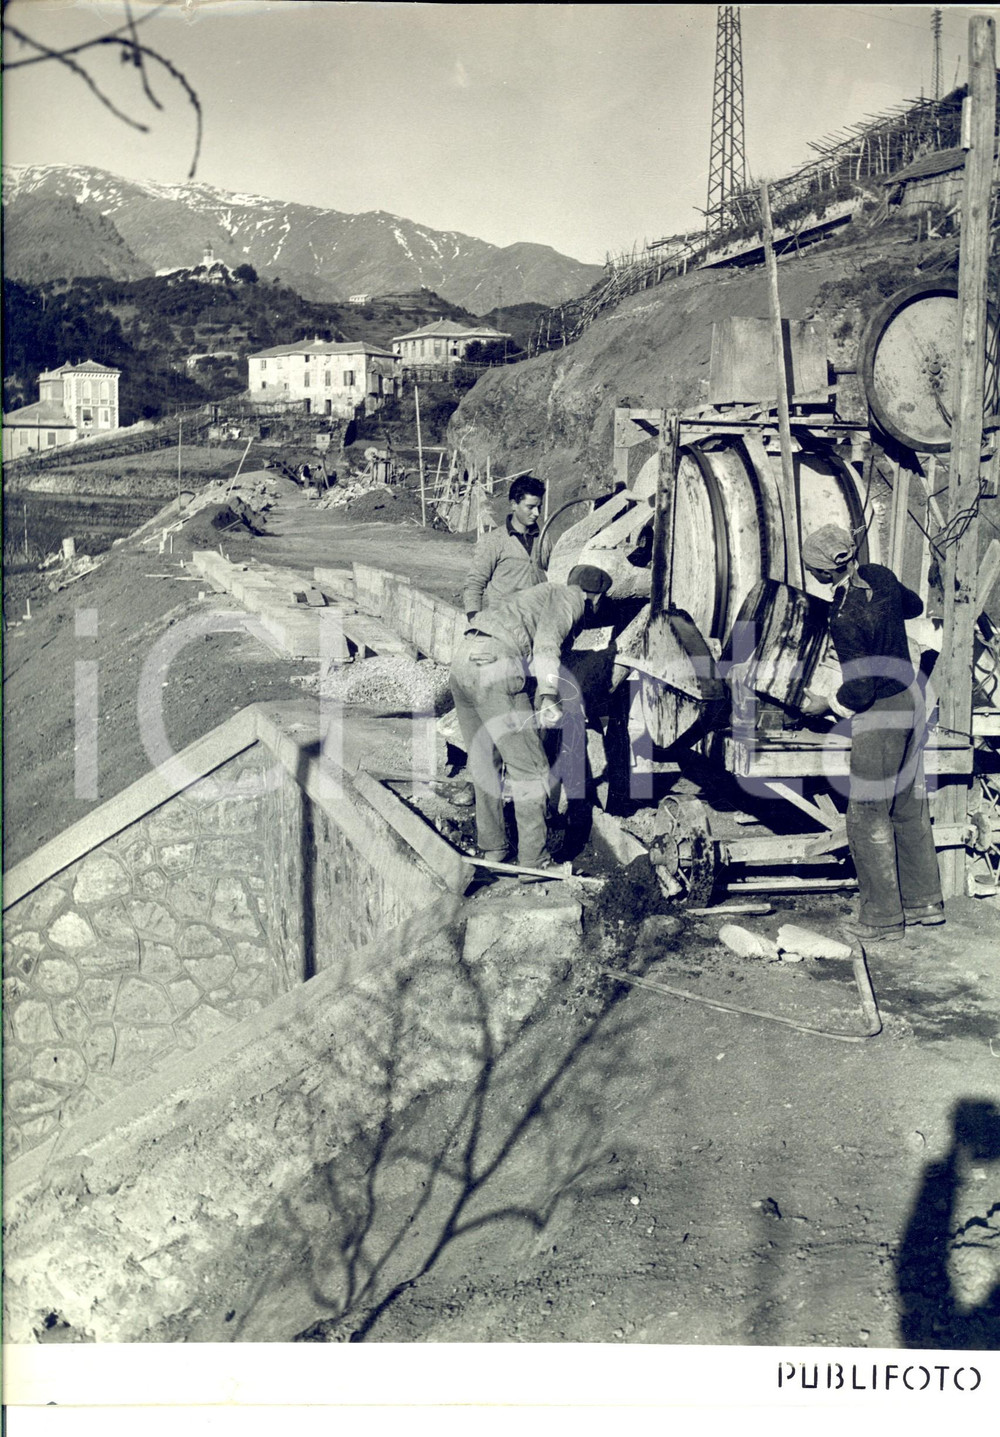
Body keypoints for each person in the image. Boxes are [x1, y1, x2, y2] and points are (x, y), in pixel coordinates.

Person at [799, 524, 944, 942]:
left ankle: (881, 920)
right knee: (907, 806)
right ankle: (925, 905)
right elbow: (913, 606)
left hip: (879, 712)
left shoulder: (842, 614)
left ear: (824, 574)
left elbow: (860, 688)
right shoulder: (880, 576)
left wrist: (825, 703)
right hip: (910, 697)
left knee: (866, 813)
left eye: (814, 572)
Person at [449, 565, 613, 876]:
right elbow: (547, 645)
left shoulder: (539, 593)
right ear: (595, 597)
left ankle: (493, 845)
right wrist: (549, 693)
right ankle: (534, 861)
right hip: (495, 667)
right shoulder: (571, 599)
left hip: (463, 661)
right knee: (533, 769)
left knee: (485, 758)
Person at [462, 474, 547, 618]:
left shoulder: (544, 539)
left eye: (539, 507)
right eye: (530, 507)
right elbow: (474, 584)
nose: (536, 513)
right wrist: (474, 619)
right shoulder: (493, 541)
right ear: (514, 504)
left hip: (537, 624)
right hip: (503, 626)